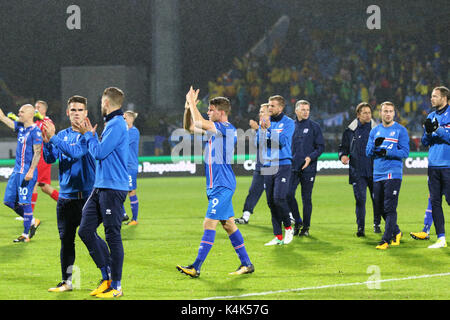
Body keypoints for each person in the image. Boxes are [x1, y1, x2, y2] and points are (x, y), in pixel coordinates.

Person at [177, 86, 254, 277]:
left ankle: (196, 267)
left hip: (222, 185)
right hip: (215, 185)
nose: (208, 112)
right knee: (228, 225)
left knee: (208, 223)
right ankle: (247, 264)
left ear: (221, 112)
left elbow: (199, 121)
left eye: (211, 110)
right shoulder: (215, 131)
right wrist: (188, 108)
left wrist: (193, 103)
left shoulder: (226, 128)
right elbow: (189, 127)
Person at [76, 87, 129, 298]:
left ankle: (116, 285)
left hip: (113, 188)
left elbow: (99, 152)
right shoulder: (111, 124)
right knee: (85, 230)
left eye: (101, 102)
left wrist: (89, 136)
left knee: (112, 235)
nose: (100, 105)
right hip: (100, 187)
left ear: (106, 103)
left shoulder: (117, 125)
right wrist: (89, 136)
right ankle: (106, 276)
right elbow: (99, 150)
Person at [42, 95, 96, 292]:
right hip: (66, 198)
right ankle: (67, 281)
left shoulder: (89, 135)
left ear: (86, 113)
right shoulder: (62, 134)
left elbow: (75, 153)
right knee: (66, 241)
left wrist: (54, 137)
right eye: (73, 110)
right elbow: (49, 159)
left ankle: (108, 278)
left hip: (87, 198)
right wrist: (47, 142)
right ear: (67, 112)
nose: (76, 113)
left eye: (80, 110)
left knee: (91, 238)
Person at [366, 101, 410, 250]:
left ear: (394, 113)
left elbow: (405, 152)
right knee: (378, 208)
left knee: (389, 207)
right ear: (380, 113)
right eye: (385, 111)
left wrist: (387, 152)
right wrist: (375, 147)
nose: (388, 114)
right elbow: (368, 152)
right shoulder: (375, 131)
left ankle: (385, 239)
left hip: (393, 174)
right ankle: (397, 232)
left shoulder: (400, 130)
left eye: (390, 111)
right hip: (377, 174)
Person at [0, 104, 42, 242]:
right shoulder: (21, 127)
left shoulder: (36, 131)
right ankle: (32, 221)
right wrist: (1, 116)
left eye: (22, 112)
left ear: (30, 114)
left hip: (26, 172)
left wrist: (30, 171)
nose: (19, 114)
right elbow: (6, 120)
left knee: (25, 203)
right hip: (16, 171)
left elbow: (37, 153)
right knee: (8, 201)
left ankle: (25, 235)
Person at [338, 102, 380, 237]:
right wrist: (343, 156)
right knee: (360, 200)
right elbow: (343, 147)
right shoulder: (350, 131)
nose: (368, 115)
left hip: (375, 171)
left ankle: (377, 224)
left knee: (377, 199)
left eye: (369, 113)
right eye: (364, 113)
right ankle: (360, 228)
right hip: (357, 172)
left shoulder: (378, 130)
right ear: (358, 115)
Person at [260, 95, 295, 246]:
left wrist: (268, 131)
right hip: (268, 164)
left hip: (283, 163)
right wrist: (265, 131)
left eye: (272, 106)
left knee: (279, 198)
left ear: (280, 107)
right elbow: (258, 142)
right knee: (270, 201)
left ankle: (288, 227)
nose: (269, 108)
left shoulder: (288, 123)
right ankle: (278, 236)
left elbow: (282, 141)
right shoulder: (266, 122)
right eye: (268, 105)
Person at [287, 100, 324, 237]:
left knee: (306, 198)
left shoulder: (315, 127)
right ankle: (298, 221)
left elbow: (320, 147)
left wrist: (310, 157)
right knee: (288, 194)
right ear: (296, 111)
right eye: (303, 109)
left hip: (309, 168)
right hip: (293, 167)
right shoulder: (290, 126)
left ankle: (306, 228)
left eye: (307, 110)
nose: (306, 112)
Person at [419, 86, 450, 249]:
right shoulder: (430, 116)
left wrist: (438, 130)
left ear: (444, 98)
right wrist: (429, 133)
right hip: (433, 166)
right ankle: (441, 238)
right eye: (431, 96)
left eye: (435, 96)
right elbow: (424, 142)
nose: (431, 99)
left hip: (448, 165)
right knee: (436, 202)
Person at [235, 103, 269, 224]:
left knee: (278, 195)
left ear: (270, 113)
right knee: (253, 191)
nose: (260, 114)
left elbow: (270, 144)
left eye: (262, 111)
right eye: (259, 112)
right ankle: (245, 216)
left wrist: (257, 129)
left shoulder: (274, 127)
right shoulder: (261, 127)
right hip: (260, 166)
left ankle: (290, 216)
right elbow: (258, 145)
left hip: (272, 167)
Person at [32, 100, 59, 211]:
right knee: (45, 187)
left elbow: (51, 132)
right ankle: (67, 203)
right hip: (38, 156)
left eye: (38, 107)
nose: (35, 109)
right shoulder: (37, 122)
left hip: (43, 157)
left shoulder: (47, 121)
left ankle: (28, 214)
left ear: (44, 110)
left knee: (33, 183)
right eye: (35, 107)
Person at [123, 110, 140, 225]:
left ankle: (134, 219)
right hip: (123, 166)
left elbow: (122, 142)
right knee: (119, 190)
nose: (123, 120)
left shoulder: (133, 132)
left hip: (130, 166)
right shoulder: (125, 131)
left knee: (131, 191)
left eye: (125, 118)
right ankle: (123, 214)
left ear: (131, 119)